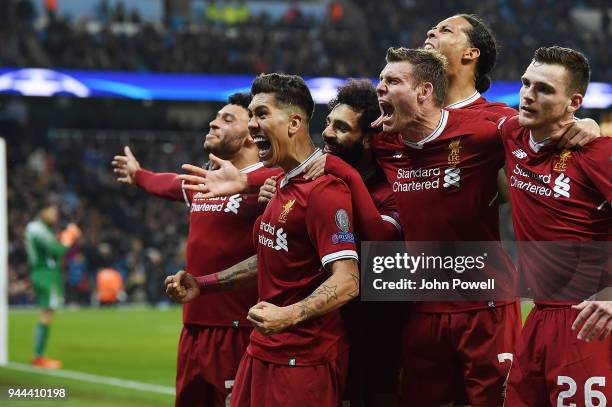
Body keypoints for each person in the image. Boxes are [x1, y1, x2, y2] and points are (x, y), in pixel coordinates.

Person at [166, 73, 360, 407]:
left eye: (261, 115)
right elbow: (271, 260)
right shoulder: (280, 186)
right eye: (251, 115)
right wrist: (205, 283)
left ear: (294, 123)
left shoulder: (325, 191)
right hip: (262, 350)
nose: (252, 126)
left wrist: (290, 315)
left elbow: (348, 280)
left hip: (303, 360)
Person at [112, 93, 277, 407]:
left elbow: (302, 172)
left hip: (239, 328)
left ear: (251, 136)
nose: (214, 122)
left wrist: (246, 180)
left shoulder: (270, 182)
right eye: (216, 116)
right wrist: (138, 175)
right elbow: (169, 183)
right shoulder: (206, 182)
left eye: (228, 119)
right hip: (193, 329)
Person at [499, 46, 611, 406]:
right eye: (526, 83)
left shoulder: (597, 153)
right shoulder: (511, 135)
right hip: (538, 318)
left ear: (573, 102)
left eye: (545, 89)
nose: (528, 95)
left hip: (587, 319)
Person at [24, 202, 80, 369]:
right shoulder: (37, 229)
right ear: (42, 211)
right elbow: (57, 250)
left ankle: (39, 356)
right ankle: (39, 357)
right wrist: (69, 237)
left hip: (43, 272)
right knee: (47, 314)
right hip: (46, 274)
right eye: (52, 211)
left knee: (47, 313)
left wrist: (64, 237)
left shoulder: (37, 228)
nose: (55, 215)